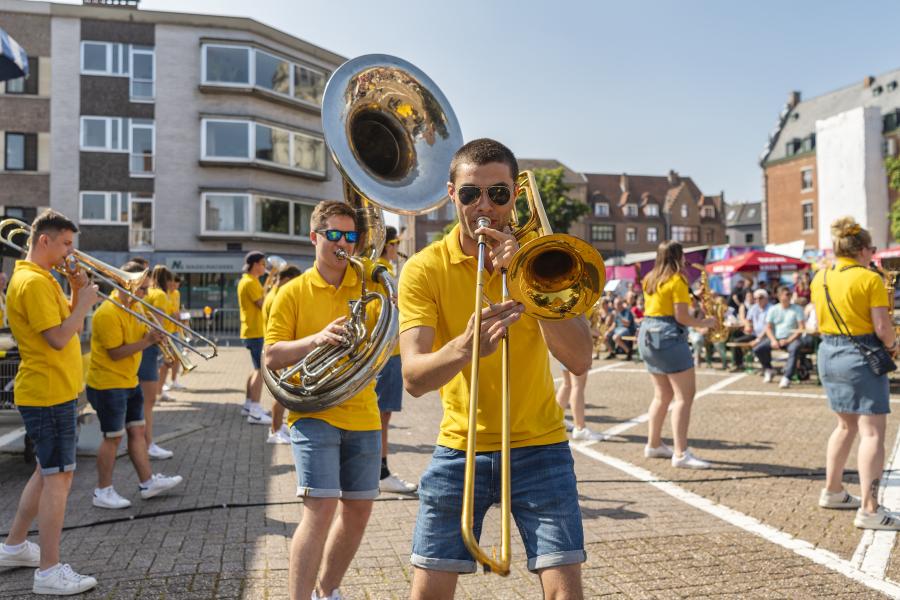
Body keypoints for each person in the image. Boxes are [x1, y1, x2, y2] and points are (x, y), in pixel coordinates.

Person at [399, 138, 591, 599]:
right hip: (459, 446)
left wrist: (528, 282)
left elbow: (580, 359)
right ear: (452, 195)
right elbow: (413, 379)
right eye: (471, 194)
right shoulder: (424, 269)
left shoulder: (545, 259)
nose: (485, 206)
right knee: (427, 592)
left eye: (498, 194)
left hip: (542, 445)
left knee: (566, 593)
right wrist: (464, 349)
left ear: (515, 196)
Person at [265, 200, 382, 600]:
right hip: (313, 411)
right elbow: (272, 355)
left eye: (350, 236)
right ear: (314, 237)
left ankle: (327, 590)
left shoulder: (371, 285)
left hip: (363, 411)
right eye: (333, 234)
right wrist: (316, 340)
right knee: (320, 508)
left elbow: (390, 341)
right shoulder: (292, 292)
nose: (343, 243)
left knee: (359, 510)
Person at [0, 210, 99, 594]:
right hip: (47, 393)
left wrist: (76, 289)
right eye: (66, 244)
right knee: (60, 478)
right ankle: (49, 571)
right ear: (45, 241)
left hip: (52, 390)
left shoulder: (41, 279)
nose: (70, 253)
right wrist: (86, 302)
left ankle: (14, 546)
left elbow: (63, 324)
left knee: (46, 472)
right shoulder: (33, 282)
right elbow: (59, 337)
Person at [811, 216, 900, 529]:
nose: (873, 255)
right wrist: (893, 344)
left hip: (828, 352)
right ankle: (870, 509)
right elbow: (882, 328)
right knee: (872, 431)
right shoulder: (869, 279)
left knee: (844, 425)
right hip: (860, 353)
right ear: (862, 250)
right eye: (871, 250)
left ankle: (833, 490)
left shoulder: (819, 277)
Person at [86, 262, 183, 509]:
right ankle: (102, 491)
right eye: (142, 289)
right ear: (124, 284)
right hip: (108, 384)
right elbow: (116, 353)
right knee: (112, 438)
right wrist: (149, 340)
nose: (146, 294)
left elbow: (145, 334)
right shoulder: (107, 313)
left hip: (129, 381)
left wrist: (159, 337)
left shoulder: (136, 306)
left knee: (137, 432)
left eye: (146, 288)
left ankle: (147, 482)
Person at [637, 241, 717, 469]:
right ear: (678, 257)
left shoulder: (650, 278)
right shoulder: (677, 280)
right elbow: (682, 317)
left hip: (648, 335)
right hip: (668, 336)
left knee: (661, 395)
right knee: (685, 397)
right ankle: (681, 453)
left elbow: (662, 305)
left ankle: (654, 444)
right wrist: (704, 323)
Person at [375, 225, 418, 494]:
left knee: (381, 415)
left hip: (387, 352)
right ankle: (380, 472)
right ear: (388, 245)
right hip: (388, 353)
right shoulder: (382, 273)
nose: (396, 249)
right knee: (382, 416)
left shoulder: (379, 271)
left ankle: (376, 471)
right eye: (395, 244)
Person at [261, 263, 302, 445]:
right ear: (286, 280)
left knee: (284, 393)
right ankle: (274, 430)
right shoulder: (279, 296)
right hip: (279, 349)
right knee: (283, 394)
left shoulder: (273, 294)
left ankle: (276, 428)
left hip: (280, 348)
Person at [141, 266, 177, 459]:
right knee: (149, 401)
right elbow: (160, 327)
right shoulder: (161, 296)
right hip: (149, 348)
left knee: (144, 401)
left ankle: (143, 443)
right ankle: (147, 444)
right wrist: (169, 349)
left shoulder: (149, 294)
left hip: (142, 347)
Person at [239, 251, 273, 426]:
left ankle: (248, 405)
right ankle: (255, 410)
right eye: (262, 263)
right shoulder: (250, 282)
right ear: (253, 265)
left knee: (255, 370)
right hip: (255, 331)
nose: (264, 267)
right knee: (260, 371)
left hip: (252, 330)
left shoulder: (249, 281)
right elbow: (263, 305)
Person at [753, 286, 804, 388]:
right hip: (776, 338)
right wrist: (773, 340)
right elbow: (768, 328)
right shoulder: (773, 309)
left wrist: (788, 340)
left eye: (790, 294)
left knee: (795, 348)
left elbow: (801, 328)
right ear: (779, 296)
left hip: (791, 339)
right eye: (786, 294)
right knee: (758, 349)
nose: (789, 297)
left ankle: (787, 377)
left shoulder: (797, 309)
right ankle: (768, 369)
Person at [162, 275, 186, 393]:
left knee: (178, 356)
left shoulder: (177, 293)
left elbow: (176, 310)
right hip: (165, 329)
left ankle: (174, 380)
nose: (174, 286)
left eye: (177, 284)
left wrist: (180, 316)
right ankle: (163, 382)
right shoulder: (163, 294)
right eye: (172, 283)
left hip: (175, 329)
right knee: (165, 358)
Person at [606, 296, 635, 360]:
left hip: (627, 330)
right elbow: (614, 324)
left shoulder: (627, 311)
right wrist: (608, 331)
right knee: (605, 336)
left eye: (618, 304)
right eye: (615, 304)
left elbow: (627, 324)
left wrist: (619, 317)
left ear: (621, 304)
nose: (616, 306)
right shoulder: (617, 312)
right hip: (618, 329)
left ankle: (628, 352)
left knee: (615, 337)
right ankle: (612, 353)